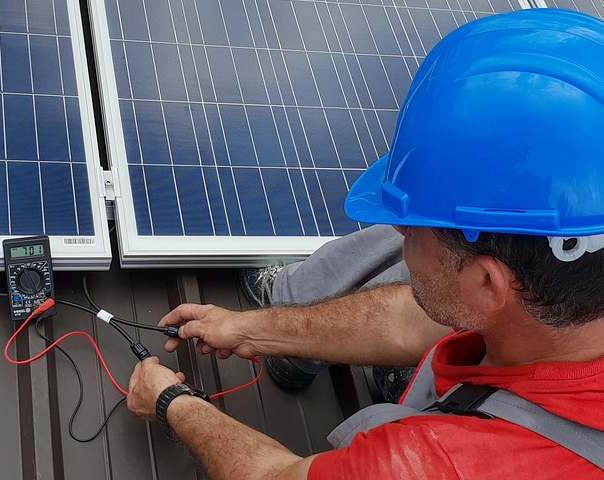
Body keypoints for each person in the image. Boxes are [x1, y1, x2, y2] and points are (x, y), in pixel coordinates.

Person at [125, 9, 604, 479]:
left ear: (486, 283)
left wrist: (171, 403)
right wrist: (249, 329)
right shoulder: (562, 287)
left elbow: (275, 475)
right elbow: (409, 320)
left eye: (411, 231)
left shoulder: (438, 464)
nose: (398, 233)